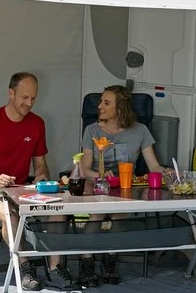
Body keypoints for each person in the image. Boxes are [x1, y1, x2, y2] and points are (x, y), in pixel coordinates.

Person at [0, 72, 80, 291]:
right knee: (10, 214)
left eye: (33, 98)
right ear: (11, 93)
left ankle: (55, 268)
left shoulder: (37, 123)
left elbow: (41, 164)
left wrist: (41, 175)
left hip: (22, 190)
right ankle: (24, 266)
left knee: (59, 210)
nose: (29, 103)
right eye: (24, 97)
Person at [79, 85, 172, 287]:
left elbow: (154, 166)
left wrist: (168, 172)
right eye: (100, 101)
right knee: (96, 215)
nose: (99, 106)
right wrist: (101, 175)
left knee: (120, 214)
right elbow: (85, 169)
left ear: (120, 108)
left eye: (106, 103)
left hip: (125, 186)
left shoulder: (140, 131)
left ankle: (110, 260)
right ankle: (86, 263)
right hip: (96, 183)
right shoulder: (92, 130)